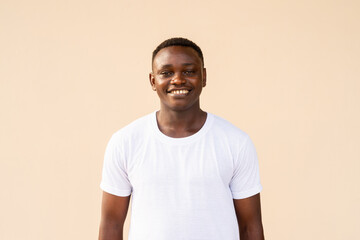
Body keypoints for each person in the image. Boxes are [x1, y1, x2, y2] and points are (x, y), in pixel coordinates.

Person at [98, 37, 265, 240]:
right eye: (166, 73)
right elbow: (111, 224)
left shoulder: (236, 142)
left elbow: (250, 226)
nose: (177, 79)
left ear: (203, 77)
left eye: (188, 71)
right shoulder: (125, 142)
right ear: (153, 80)